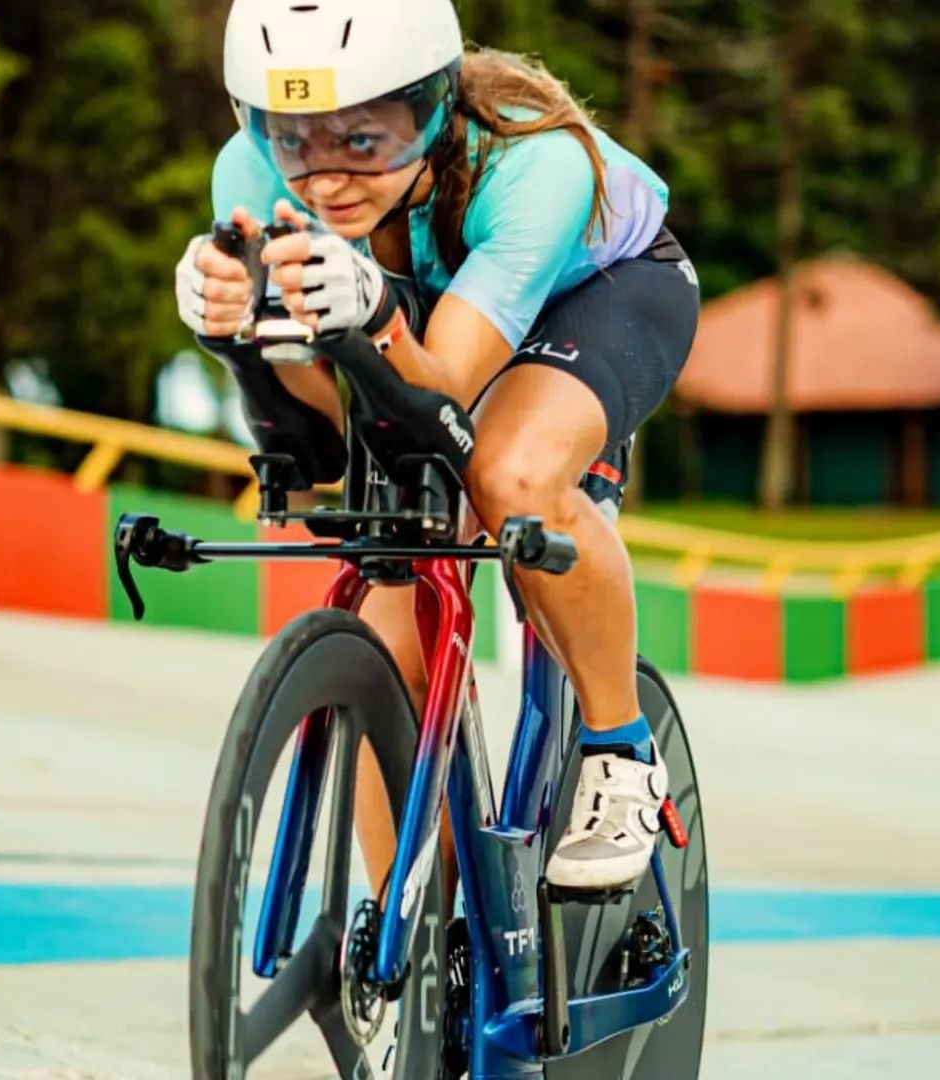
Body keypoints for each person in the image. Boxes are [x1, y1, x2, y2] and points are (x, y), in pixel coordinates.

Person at [175, 0, 699, 894]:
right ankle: (411, 941)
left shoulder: (535, 162)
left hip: (599, 292)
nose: (328, 177)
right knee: (390, 613)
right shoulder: (247, 175)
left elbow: (450, 380)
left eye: (365, 136)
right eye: (293, 138)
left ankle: (620, 753)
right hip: (419, 309)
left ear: (431, 103)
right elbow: (328, 442)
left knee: (512, 475)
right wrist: (237, 333)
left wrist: (371, 311)